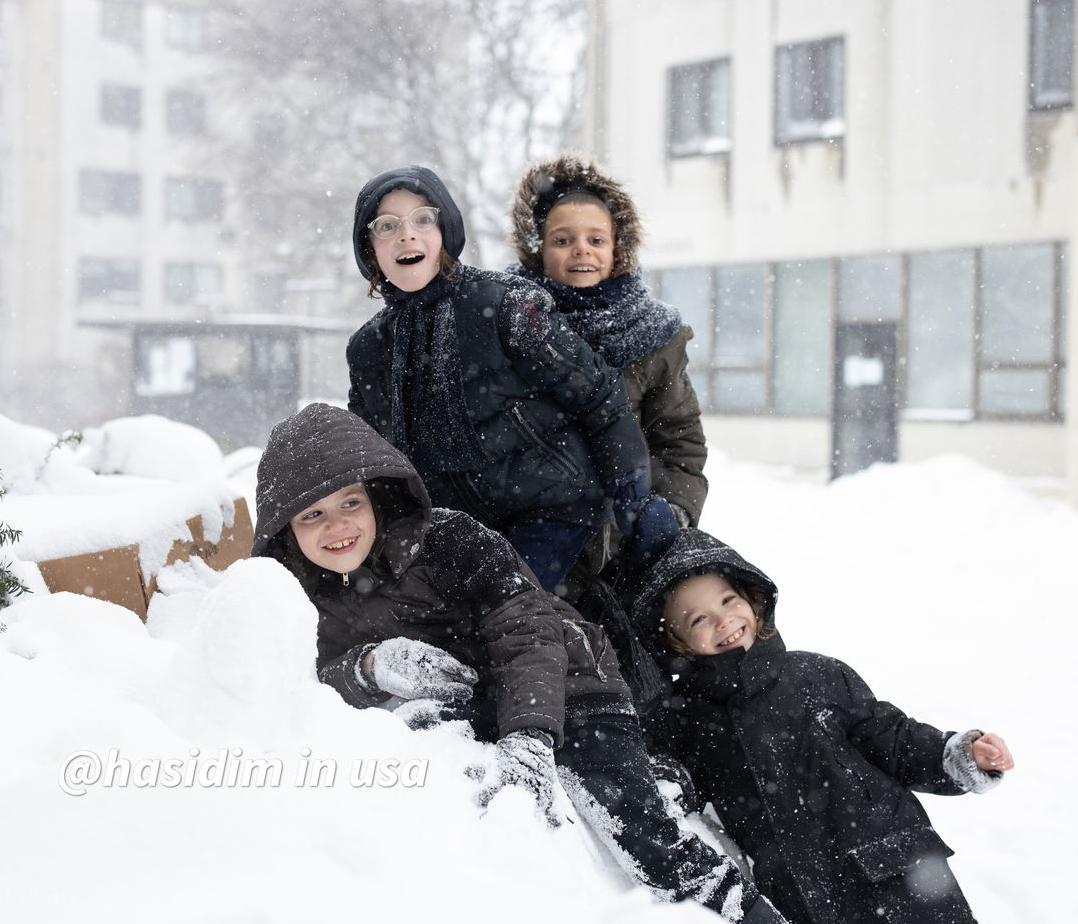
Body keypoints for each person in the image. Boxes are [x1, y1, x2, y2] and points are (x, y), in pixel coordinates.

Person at [250, 402, 787, 924]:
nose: (337, 526)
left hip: (570, 687)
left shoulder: (449, 539)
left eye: (350, 503)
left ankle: (742, 908)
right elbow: (296, 681)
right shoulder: (296, 597)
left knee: (642, 839)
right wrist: (369, 668)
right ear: (285, 530)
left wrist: (530, 733)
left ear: (376, 496)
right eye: (312, 514)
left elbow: (527, 629)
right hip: (470, 706)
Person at [629, 528, 1015, 924]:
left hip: (897, 871)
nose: (725, 620)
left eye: (729, 600)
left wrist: (959, 755)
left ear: (753, 600)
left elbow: (893, 739)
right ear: (675, 643)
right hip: (802, 896)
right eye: (699, 620)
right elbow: (671, 786)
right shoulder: (682, 720)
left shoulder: (817, 674)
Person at [344, 165, 678, 595]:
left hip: (552, 510)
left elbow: (598, 394)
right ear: (369, 248)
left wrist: (632, 490)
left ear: (446, 230)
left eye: (423, 219)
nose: (407, 235)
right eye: (387, 226)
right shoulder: (368, 349)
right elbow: (369, 456)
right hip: (453, 529)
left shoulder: (506, 305)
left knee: (502, 613)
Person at [507, 154, 707, 597]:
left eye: (597, 238)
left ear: (618, 247)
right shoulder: (504, 323)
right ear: (537, 246)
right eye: (563, 239)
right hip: (528, 551)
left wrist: (671, 510)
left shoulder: (654, 337)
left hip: (624, 553)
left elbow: (680, 441)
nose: (582, 250)